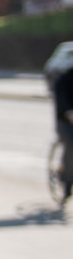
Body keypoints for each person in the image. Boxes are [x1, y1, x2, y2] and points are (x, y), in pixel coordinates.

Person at [54, 62, 73, 202]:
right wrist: (68, 112)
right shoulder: (65, 76)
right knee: (71, 146)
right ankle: (67, 183)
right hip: (65, 121)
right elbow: (61, 98)